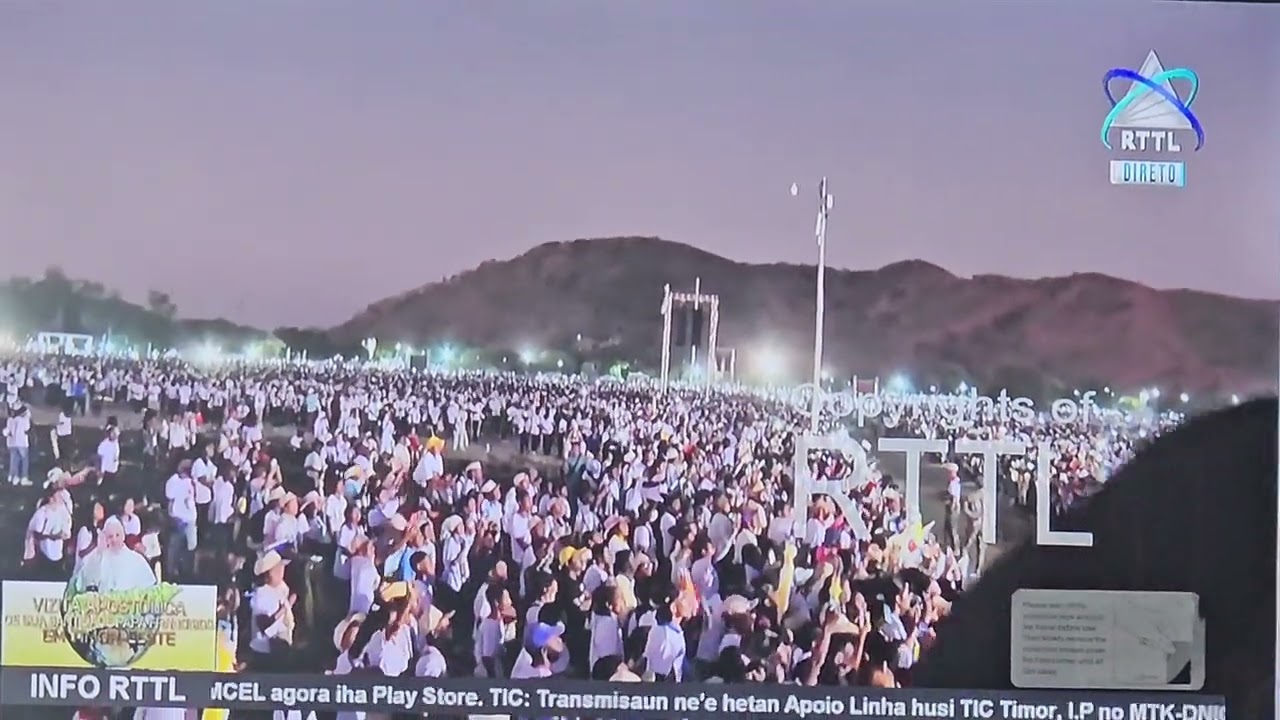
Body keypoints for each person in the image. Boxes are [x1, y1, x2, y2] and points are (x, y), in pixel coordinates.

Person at [72, 516, 159, 593]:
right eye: (110, 536)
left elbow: (149, 588)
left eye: (117, 535)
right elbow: (84, 582)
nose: (114, 540)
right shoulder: (99, 557)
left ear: (123, 536)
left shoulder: (136, 559)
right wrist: (99, 553)